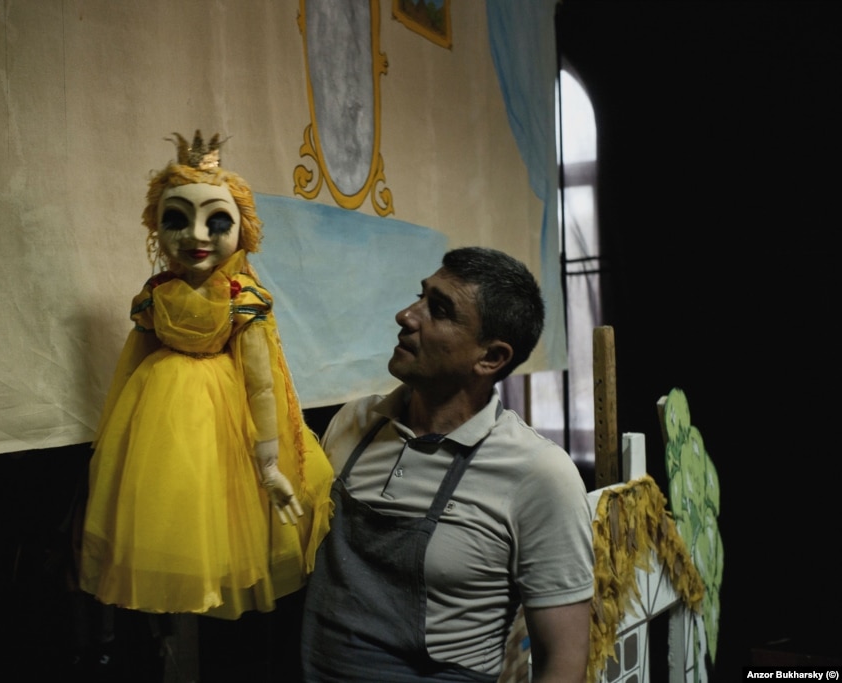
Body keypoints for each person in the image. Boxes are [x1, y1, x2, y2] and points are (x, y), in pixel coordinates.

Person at [300, 247, 594, 682]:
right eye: (421, 296)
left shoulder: (539, 475)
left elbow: (564, 661)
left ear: (490, 358)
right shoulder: (354, 423)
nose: (406, 315)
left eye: (438, 310)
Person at [79, 131, 334, 622]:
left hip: (223, 418)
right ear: (157, 225)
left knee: (217, 521)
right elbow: (134, 358)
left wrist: (268, 466)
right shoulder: (157, 293)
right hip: (159, 418)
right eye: (177, 220)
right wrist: (113, 437)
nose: (196, 236)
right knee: (169, 516)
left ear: (243, 230)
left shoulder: (241, 297)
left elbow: (262, 384)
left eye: (216, 222)